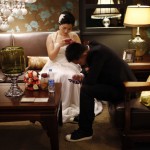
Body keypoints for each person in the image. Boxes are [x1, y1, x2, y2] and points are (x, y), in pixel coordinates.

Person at [65, 41, 137, 142]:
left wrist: (82, 78)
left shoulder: (98, 53)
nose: (80, 65)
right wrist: (81, 75)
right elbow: (91, 69)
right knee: (86, 88)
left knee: (86, 90)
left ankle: (85, 131)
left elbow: (91, 81)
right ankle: (84, 117)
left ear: (84, 54)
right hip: (114, 83)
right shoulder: (92, 48)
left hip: (125, 89)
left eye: (79, 62)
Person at [40, 11, 103, 123]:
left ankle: (75, 104)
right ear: (59, 25)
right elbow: (52, 57)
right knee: (58, 75)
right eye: (64, 28)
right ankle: (56, 106)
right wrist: (59, 45)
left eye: (69, 29)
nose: (66, 31)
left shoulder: (74, 35)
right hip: (54, 63)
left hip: (71, 63)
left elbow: (81, 55)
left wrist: (74, 45)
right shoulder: (51, 37)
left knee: (70, 76)